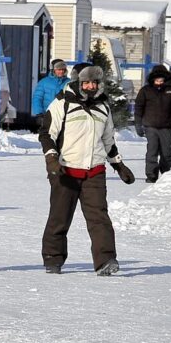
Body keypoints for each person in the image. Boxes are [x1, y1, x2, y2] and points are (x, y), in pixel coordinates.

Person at [39, 64, 135, 276]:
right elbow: (47, 134)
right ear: (78, 82)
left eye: (94, 82)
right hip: (65, 170)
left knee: (99, 217)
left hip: (94, 171)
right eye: (86, 82)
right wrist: (52, 159)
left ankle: (106, 260)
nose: (90, 86)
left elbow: (108, 140)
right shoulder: (62, 103)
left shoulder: (103, 107)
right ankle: (53, 258)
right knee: (60, 216)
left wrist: (118, 165)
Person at [134, 64, 171, 183]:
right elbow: (139, 108)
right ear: (153, 79)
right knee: (152, 151)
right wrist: (138, 124)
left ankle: (166, 173)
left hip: (166, 126)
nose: (159, 82)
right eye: (157, 80)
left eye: (162, 80)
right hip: (150, 126)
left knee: (166, 151)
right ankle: (151, 175)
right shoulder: (146, 90)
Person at [31, 59, 70, 126]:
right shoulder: (44, 82)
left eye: (63, 69)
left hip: (64, 116)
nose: (61, 71)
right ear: (53, 70)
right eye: (59, 69)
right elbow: (37, 98)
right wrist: (39, 113)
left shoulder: (69, 82)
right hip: (47, 115)